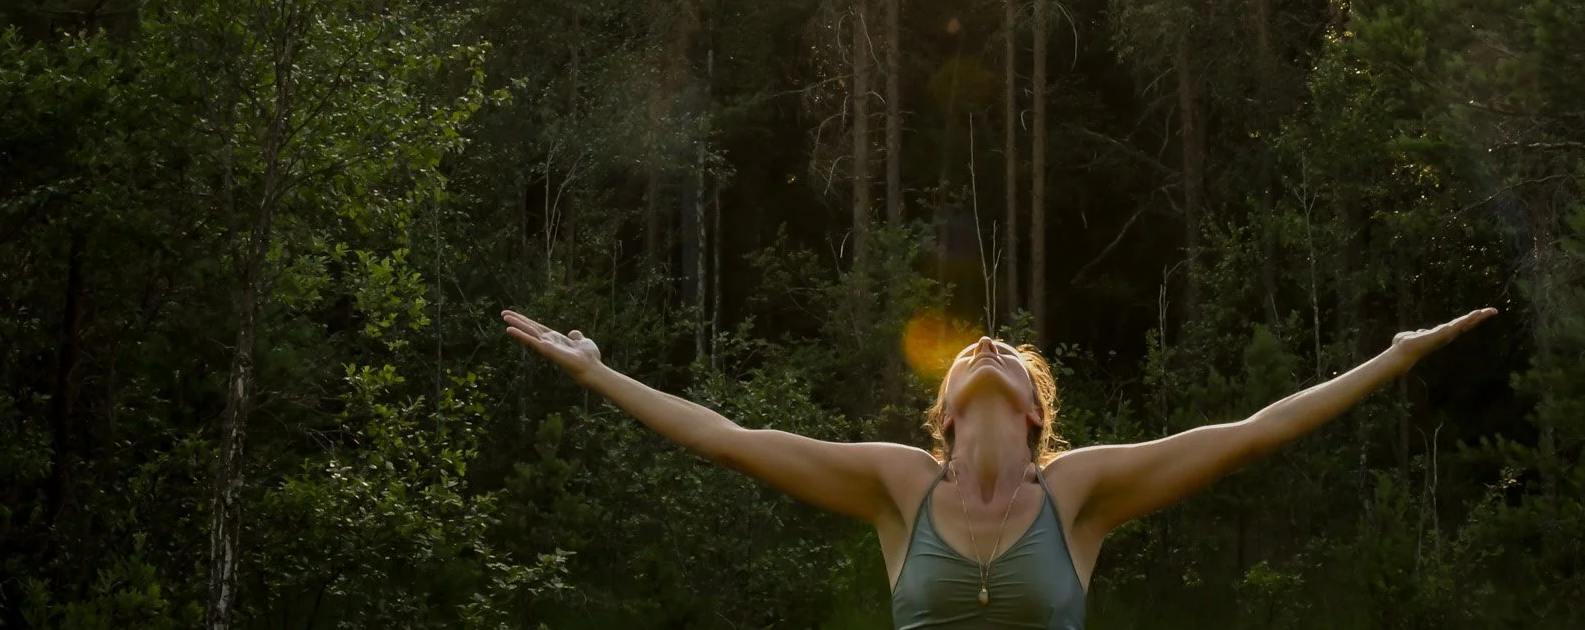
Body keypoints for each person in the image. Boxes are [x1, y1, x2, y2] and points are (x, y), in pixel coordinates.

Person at [502, 304, 1496, 628]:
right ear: (941, 413)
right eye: (972, 350)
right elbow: (724, 438)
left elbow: (1255, 430)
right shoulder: (897, 486)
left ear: (1031, 411)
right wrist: (598, 374)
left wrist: (1392, 358)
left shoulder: (1081, 492)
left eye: (1008, 355)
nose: (986, 347)